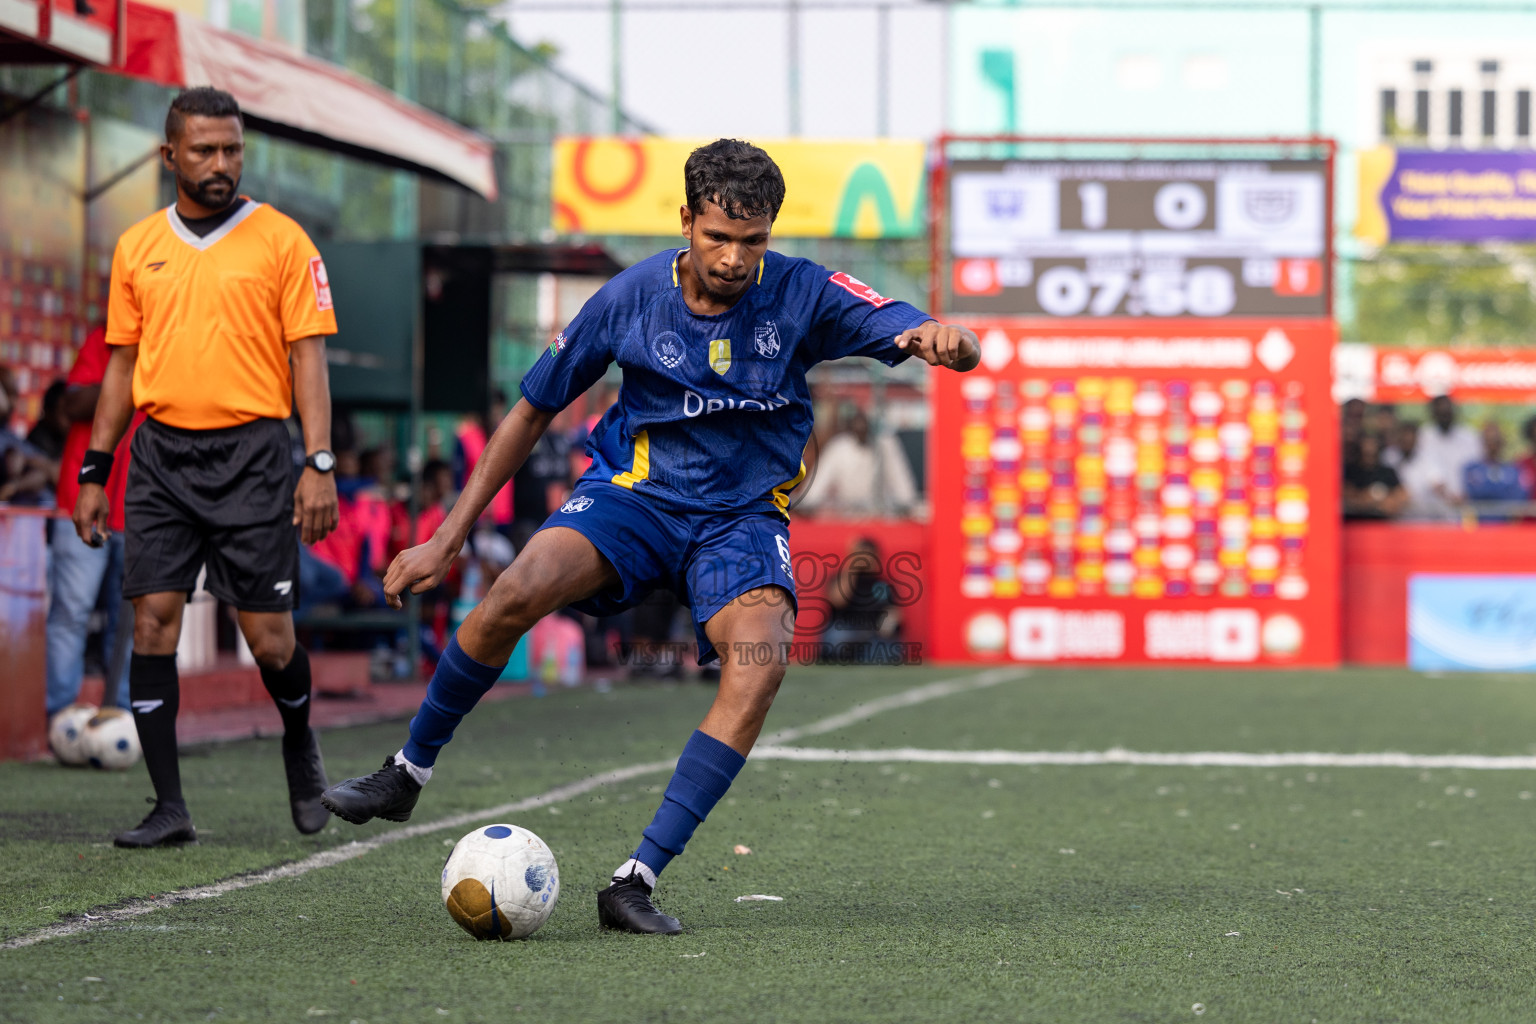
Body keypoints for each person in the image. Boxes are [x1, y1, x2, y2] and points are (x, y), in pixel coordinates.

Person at [321, 138, 980, 935]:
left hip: (740, 521)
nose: (736, 258)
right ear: (685, 223)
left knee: (760, 662)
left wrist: (939, 336)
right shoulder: (627, 299)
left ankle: (635, 878)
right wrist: (447, 538)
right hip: (633, 498)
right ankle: (407, 770)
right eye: (718, 238)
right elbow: (531, 408)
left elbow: (899, 323)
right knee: (517, 591)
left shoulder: (803, 292)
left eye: (753, 240)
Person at [73, 87, 340, 848]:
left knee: (271, 641)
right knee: (151, 622)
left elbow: (308, 359)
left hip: (254, 456)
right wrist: (96, 469)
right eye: (204, 151)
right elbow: (121, 369)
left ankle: (299, 743)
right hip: (160, 456)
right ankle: (170, 807)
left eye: (232, 150)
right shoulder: (137, 246)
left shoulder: (285, 241)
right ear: (170, 156)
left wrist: (317, 462)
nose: (220, 164)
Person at [47, 328, 143, 725]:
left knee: (133, 625)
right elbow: (72, 404)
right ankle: (60, 718)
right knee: (72, 611)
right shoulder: (104, 339)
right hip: (83, 501)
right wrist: (128, 369)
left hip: (142, 507)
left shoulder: (176, 342)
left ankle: (118, 719)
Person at [795, 408, 918, 515]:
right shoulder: (839, 448)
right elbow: (812, 495)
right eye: (858, 426)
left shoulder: (886, 445)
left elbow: (905, 493)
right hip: (847, 521)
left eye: (865, 425)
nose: (861, 429)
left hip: (881, 518)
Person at [817, 536, 901, 661]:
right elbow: (838, 601)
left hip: (872, 634)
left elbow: (893, 612)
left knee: (891, 651)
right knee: (838, 639)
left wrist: (889, 623)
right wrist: (852, 567)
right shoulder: (840, 578)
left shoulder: (883, 584)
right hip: (844, 629)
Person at [1408, 394, 1481, 520]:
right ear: (1433, 414)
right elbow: (1427, 470)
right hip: (1431, 508)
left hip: (1464, 505)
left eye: (1447, 413)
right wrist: (1446, 495)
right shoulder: (1424, 436)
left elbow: (1476, 469)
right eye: (1440, 413)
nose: (1444, 417)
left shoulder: (1469, 437)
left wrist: (1466, 494)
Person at [1463, 420, 1526, 520]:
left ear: (1502, 442)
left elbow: (1517, 498)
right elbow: (1473, 494)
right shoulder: (1471, 468)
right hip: (1478, 527)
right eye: (1488, 441)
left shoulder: (1513, 470)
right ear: (1482, 442)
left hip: (1505, 527)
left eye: (1496, 441)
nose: (1492, 445)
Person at [1342, 435, 1408, 520]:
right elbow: (1345, 494)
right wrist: (1364, 499)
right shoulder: (1351, 471)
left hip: (1382, 522)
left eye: (1372, 446)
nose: (1369, 449)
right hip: (1355, 521)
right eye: (1366, 448)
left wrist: (1391, 500)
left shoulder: (1387, 471)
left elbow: (1403, 494)